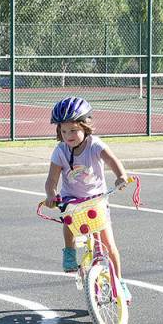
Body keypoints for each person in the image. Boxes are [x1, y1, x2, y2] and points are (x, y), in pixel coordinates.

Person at [43, 96, 132, 304]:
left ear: (86, 126)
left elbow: (112, 160)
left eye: (73, 130)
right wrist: (50, 195)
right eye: (64, 131)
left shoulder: (94, 145)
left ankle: (119, 282)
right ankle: (69, 251)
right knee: (68, 219)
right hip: (72, 198)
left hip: (97, 198)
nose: (68, 136)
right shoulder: (60, 151)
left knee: (109, 245)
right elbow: (51, 179)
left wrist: (120, 176)